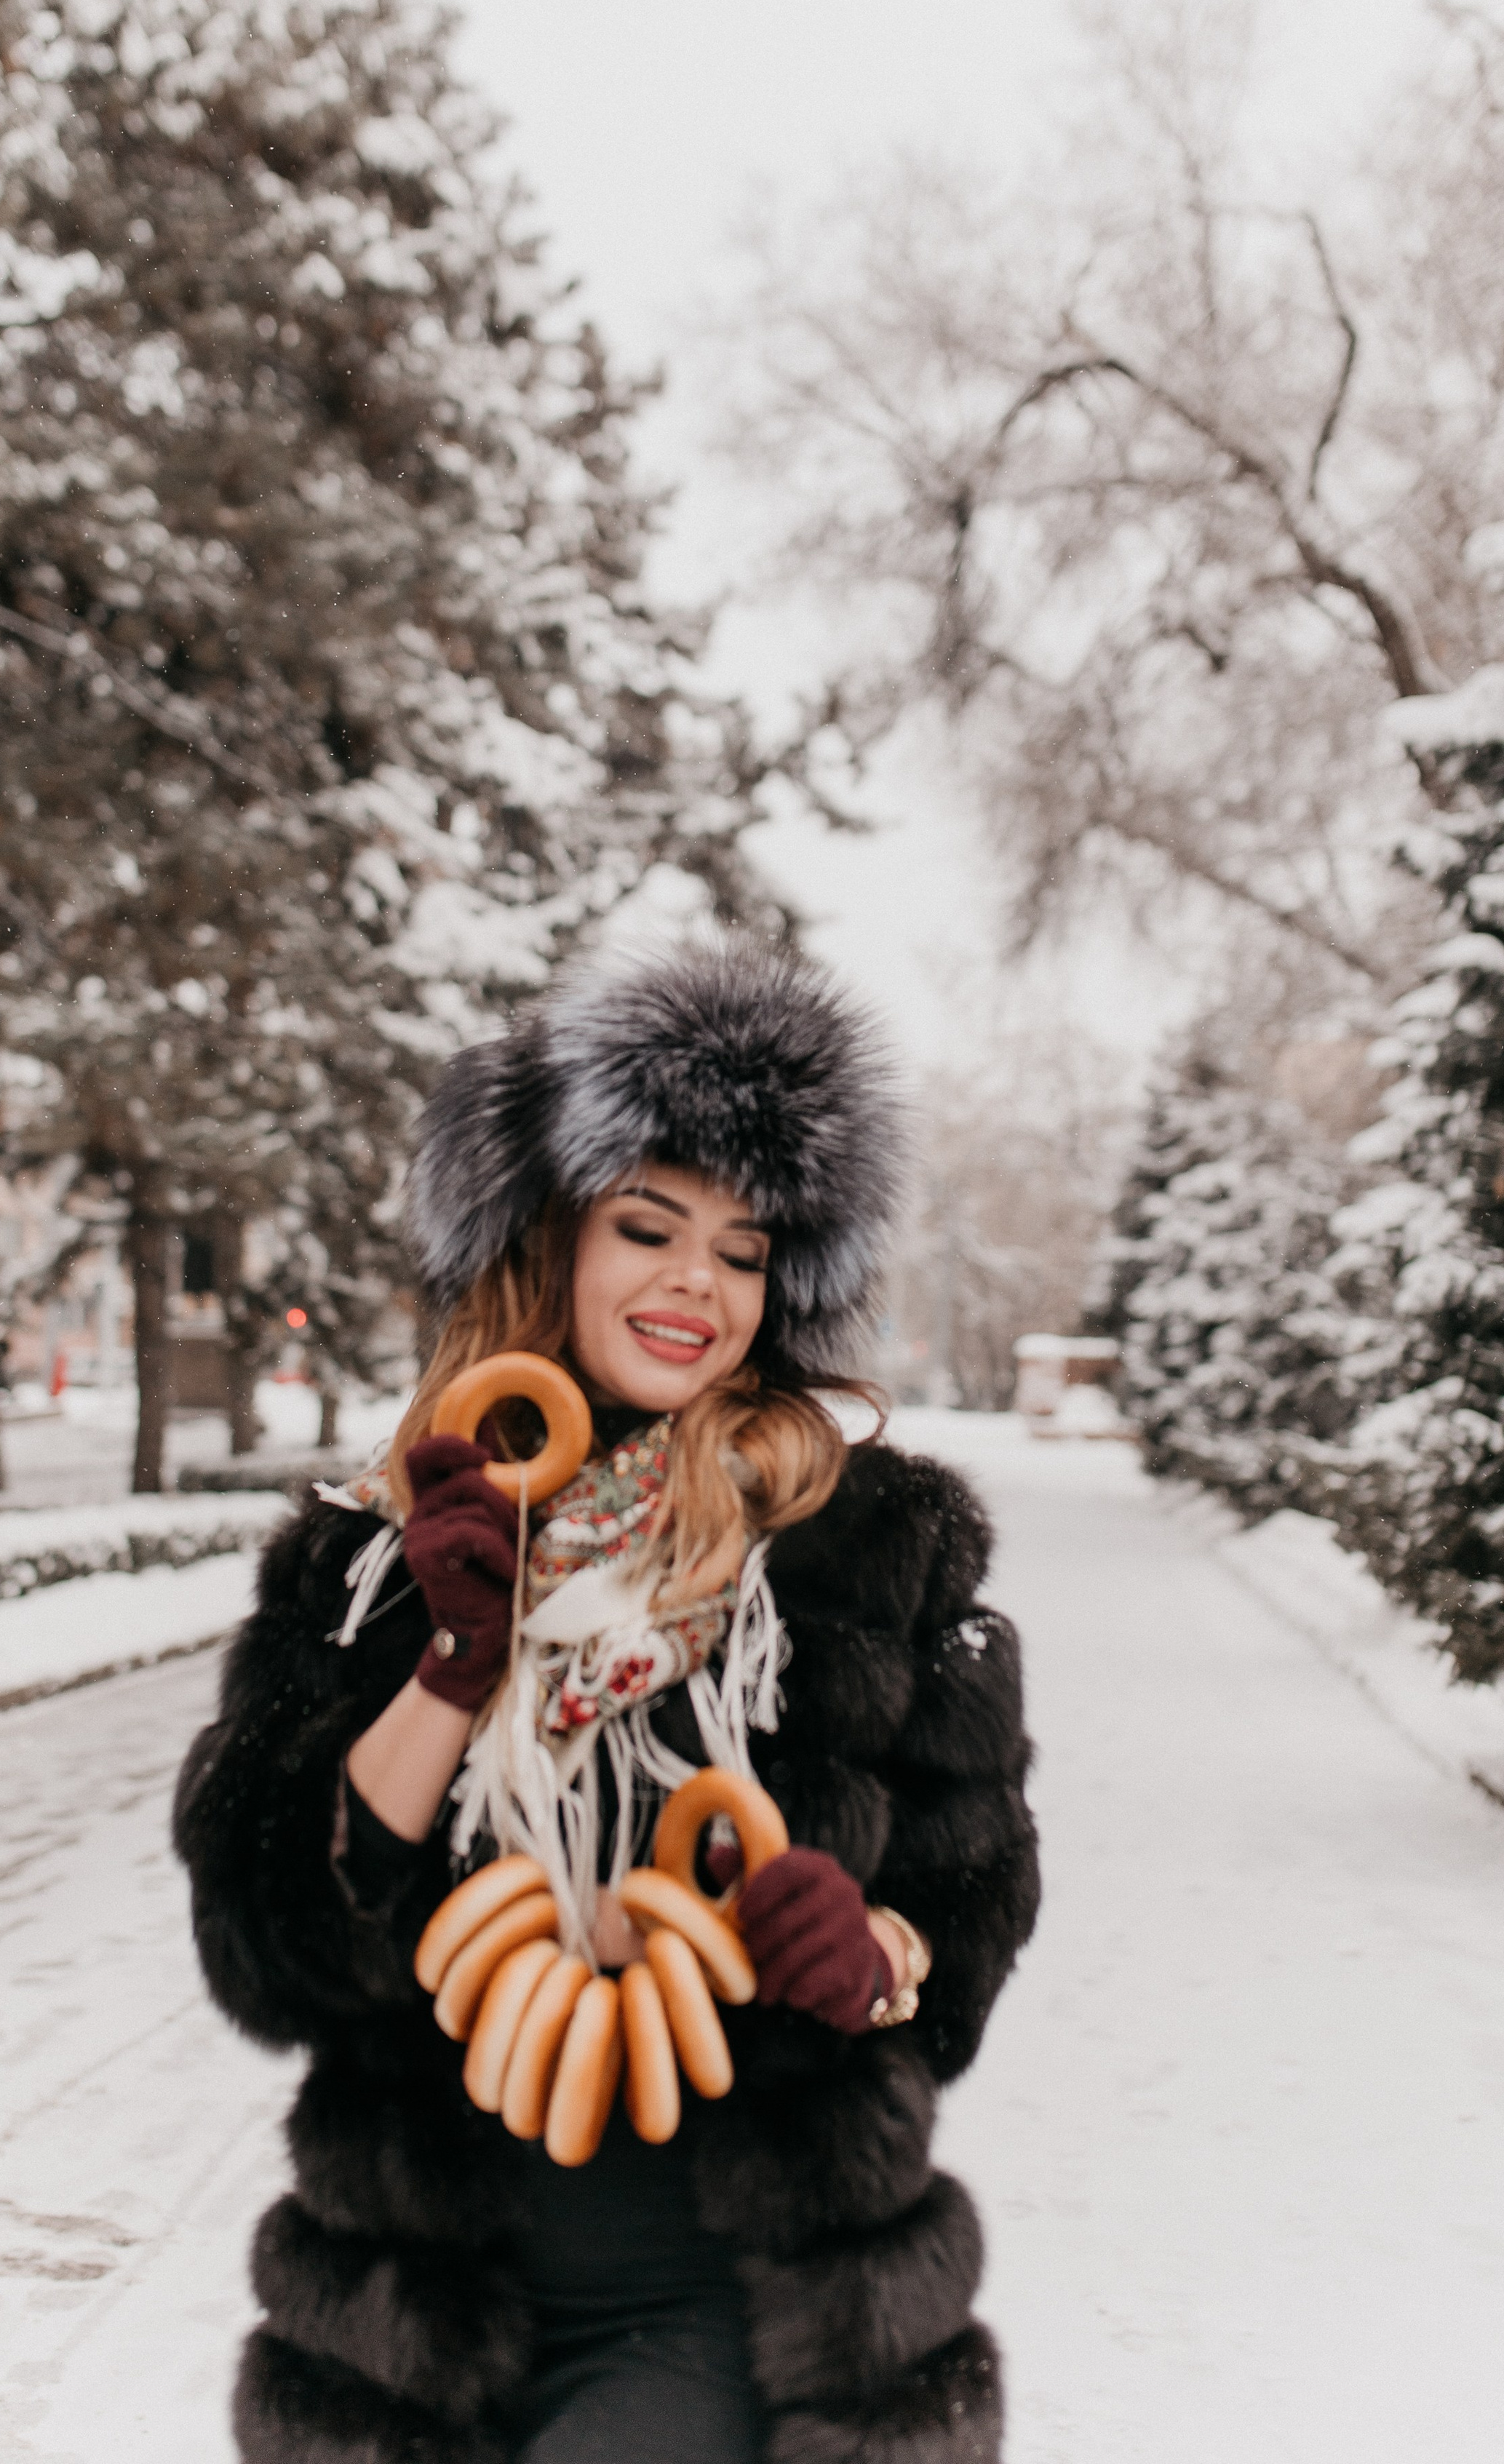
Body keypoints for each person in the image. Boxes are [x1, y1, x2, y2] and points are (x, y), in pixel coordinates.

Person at [174, 939, 1041, 2463]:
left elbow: (964, 1917)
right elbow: (266, 1943)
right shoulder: (375, 1560)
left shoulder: (866, 1547)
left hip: (738, 2315)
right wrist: (453, 1669)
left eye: (743, 1248)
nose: (695, 1285)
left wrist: (871, 1954)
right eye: (648, 1227)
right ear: (550, 1237)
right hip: (405, 2329)